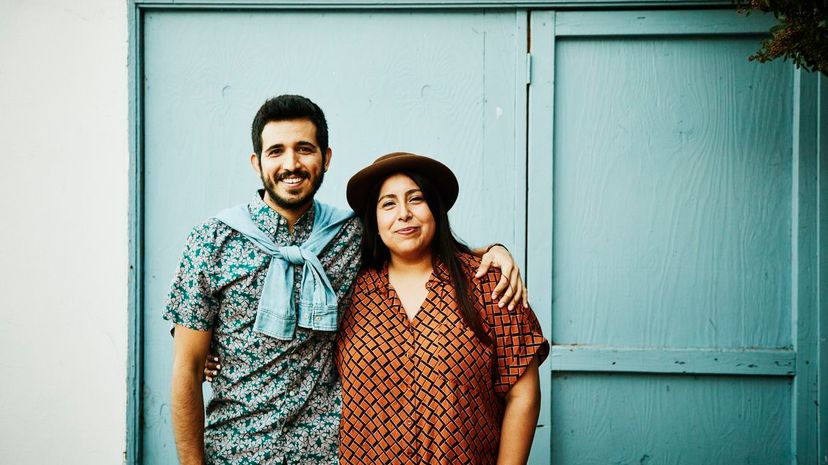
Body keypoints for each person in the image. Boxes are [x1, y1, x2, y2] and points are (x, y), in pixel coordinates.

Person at [165, 95, 527, 465]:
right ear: (257, 163)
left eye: (304, 149)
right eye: (276, 151)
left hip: (327, 454)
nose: (291, 164)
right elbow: (187, 369)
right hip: (236, 450)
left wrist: (493, 251)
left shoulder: (349, 236)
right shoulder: (211, 242)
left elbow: (414, 242)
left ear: (326, 158)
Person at [336, 152, 549, 465]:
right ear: (374, 221)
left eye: (416, 199)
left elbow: (523, 394)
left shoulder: (487, 284)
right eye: (388, 203)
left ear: (435, 208)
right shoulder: (346, 291)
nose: (404, 213)